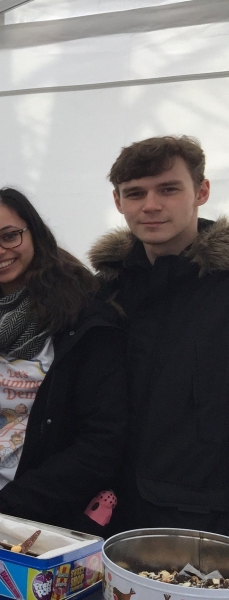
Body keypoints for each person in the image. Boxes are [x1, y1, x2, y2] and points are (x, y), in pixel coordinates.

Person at [0, 188, 127, 534]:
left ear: (34, 233)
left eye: (10, 236)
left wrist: (9, 506)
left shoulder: (84, 319)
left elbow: (101, 439)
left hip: (57, 521)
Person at [89, 136, 228, 534]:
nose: (151, 205)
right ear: (118, 202)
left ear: (201, 191)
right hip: (107, 510)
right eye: (135, 193)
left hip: (207, 518)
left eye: (168, 189)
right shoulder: (103, 293)